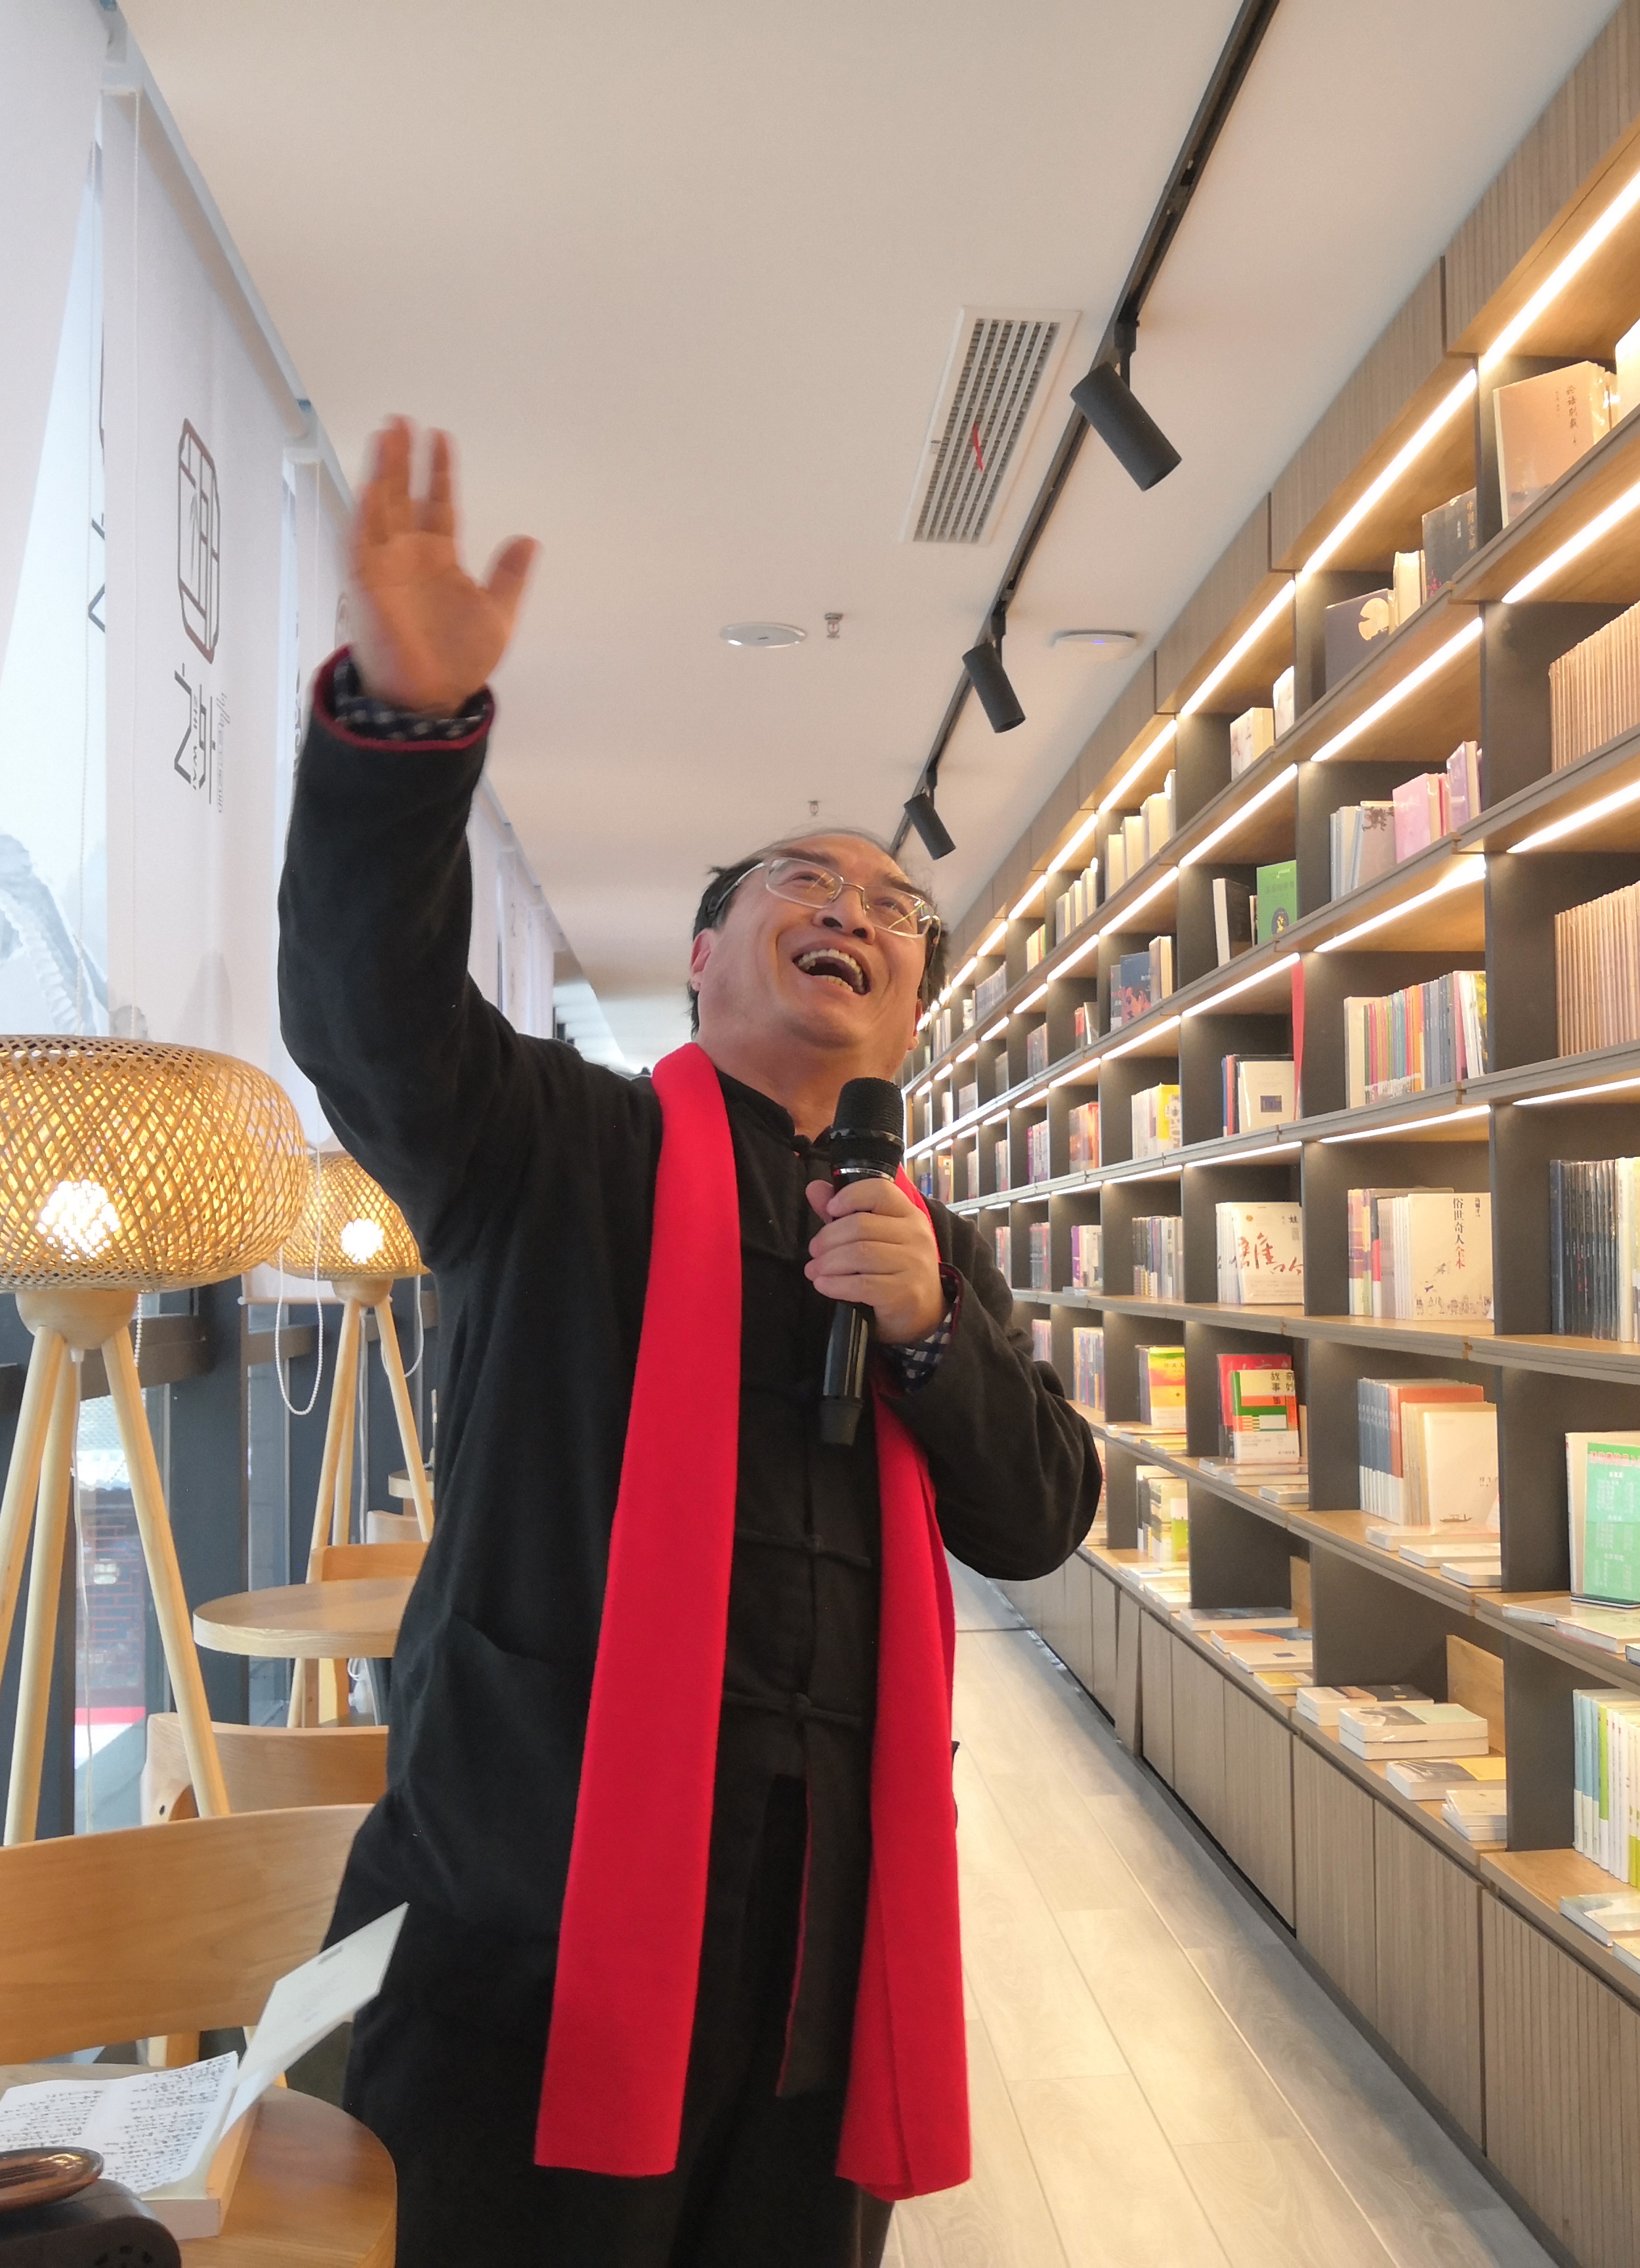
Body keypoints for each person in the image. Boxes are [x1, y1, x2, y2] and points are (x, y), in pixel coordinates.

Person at [278, 419, 1101, 2267]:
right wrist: (404, 731)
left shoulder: (926, 1244)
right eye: (806, 883)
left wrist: (929, 1333)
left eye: (894, 914)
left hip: (826, 1932)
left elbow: (1042, 1514)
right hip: (539, 1906)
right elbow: (366, 1010)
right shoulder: (556, 1149)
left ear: (907, 1015)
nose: (855, 913)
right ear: (710, 951)